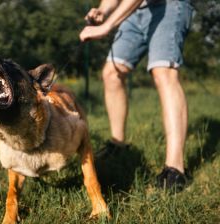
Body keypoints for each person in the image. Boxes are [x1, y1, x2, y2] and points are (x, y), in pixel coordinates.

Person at [79, 0, 193, 191]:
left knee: (163, 71)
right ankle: (118, 143)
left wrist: (106, 26)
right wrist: (103, 10)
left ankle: (175, 169)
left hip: (169, 6)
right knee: (112, 74)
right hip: (133, 13)